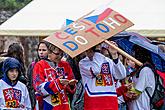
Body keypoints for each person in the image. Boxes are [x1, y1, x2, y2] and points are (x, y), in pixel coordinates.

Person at [79, 41, 126, 110]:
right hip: (94, 101)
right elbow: (96, 71)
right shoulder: (83, 63)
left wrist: (114, 55)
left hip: (111, 100)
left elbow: (121, 75)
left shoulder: (108, 60)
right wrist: (97, 53)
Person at [33, 42, 77, 110]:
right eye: (57, 54)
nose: (60, 56)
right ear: (49, 52)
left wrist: (71, 84)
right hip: (48, 105)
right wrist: (57, 83)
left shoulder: (65, 65)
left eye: (62, 53)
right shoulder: (39, 65)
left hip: (63, 105)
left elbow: (71, 86)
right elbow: (39, 88)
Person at [126, 45, 155, 110]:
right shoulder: (138, 70)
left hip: (141, 107)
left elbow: (135, 93)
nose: (132, 57)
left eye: (134, 54)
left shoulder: (145, 70)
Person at [27, 41, 49, 110]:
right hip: (36, 99)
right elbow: (30, 85)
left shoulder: (52, 65)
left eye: (44, 50)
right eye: (39, 50)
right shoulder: (33, 65)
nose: (41, 52)